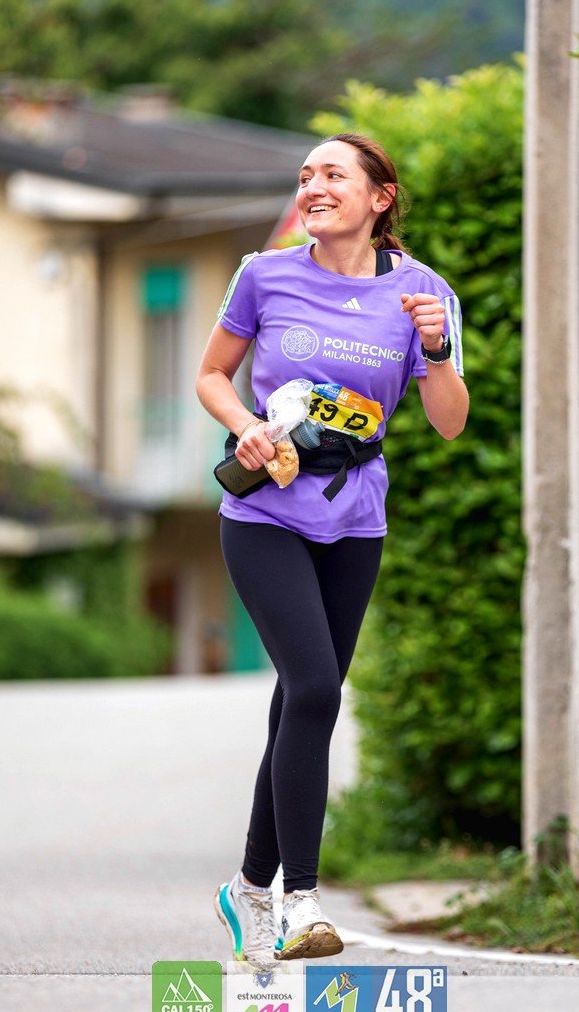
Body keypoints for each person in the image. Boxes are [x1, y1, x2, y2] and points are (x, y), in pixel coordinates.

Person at [195, 133, 469, 964]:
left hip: (355, 516)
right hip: (266, 510)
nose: (313, 186)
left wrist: (437, 350)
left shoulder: (424, 293)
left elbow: (449, 421)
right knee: (315, 687)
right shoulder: (263, 274)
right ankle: (300, 901)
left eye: (333, 175)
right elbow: (212, 375)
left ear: (379, 197)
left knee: (301, 701)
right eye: (306, 175)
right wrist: (246, 425)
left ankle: (247, 887)